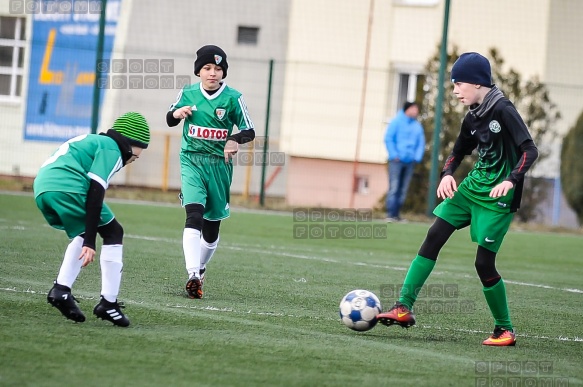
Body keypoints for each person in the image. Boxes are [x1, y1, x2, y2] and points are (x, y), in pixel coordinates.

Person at [376, 52, 539, 346]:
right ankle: (403, 307)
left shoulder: (503, 110)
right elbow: (457, 152)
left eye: (458, 84)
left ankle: (505, 329)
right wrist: (447, 173)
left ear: (477, 83)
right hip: (471, 188)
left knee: (483, 264)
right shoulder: (472, 116)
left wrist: (510, 180)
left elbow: (530, 149)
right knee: (433, 235)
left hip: (497, 197)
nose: (454, 91)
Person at [33, 112, 151, 327]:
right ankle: (108, 302)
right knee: (113, 232)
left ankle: (61, 290)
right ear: (129, 143)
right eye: (136, 155)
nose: (133, 159)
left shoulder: (97, 141)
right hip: (67, 186)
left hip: (43, 187)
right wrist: (90, 240)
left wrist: (87, 235)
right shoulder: (112, 148)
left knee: (90, 231)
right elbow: (96, 192)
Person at [166, 44, 255, 299]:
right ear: (198, 71)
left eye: (217, 68)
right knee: (194, 214)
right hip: (192, 160)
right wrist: (177, 113)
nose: (212, 73)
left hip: (219, 166)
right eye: (207, 68)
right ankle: (193, 273)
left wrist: (234, 139)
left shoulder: (233, 98)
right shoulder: (188, 93)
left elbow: (250, 130)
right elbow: (169, 119)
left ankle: (201, 268)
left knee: (212, 228)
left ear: (223, 72)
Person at [384, 101, 425, 222]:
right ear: (407, 109)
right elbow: (388, 138)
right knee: (394, 187)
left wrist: (416, 157)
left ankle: (397, 215)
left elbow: (421, 143)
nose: (416, 112)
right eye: (414, 109)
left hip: (409, 162)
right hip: (396, 161)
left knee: (403, 189)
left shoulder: (417, 126)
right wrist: (394, 155)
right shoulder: (396, 122)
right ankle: (390, 214)